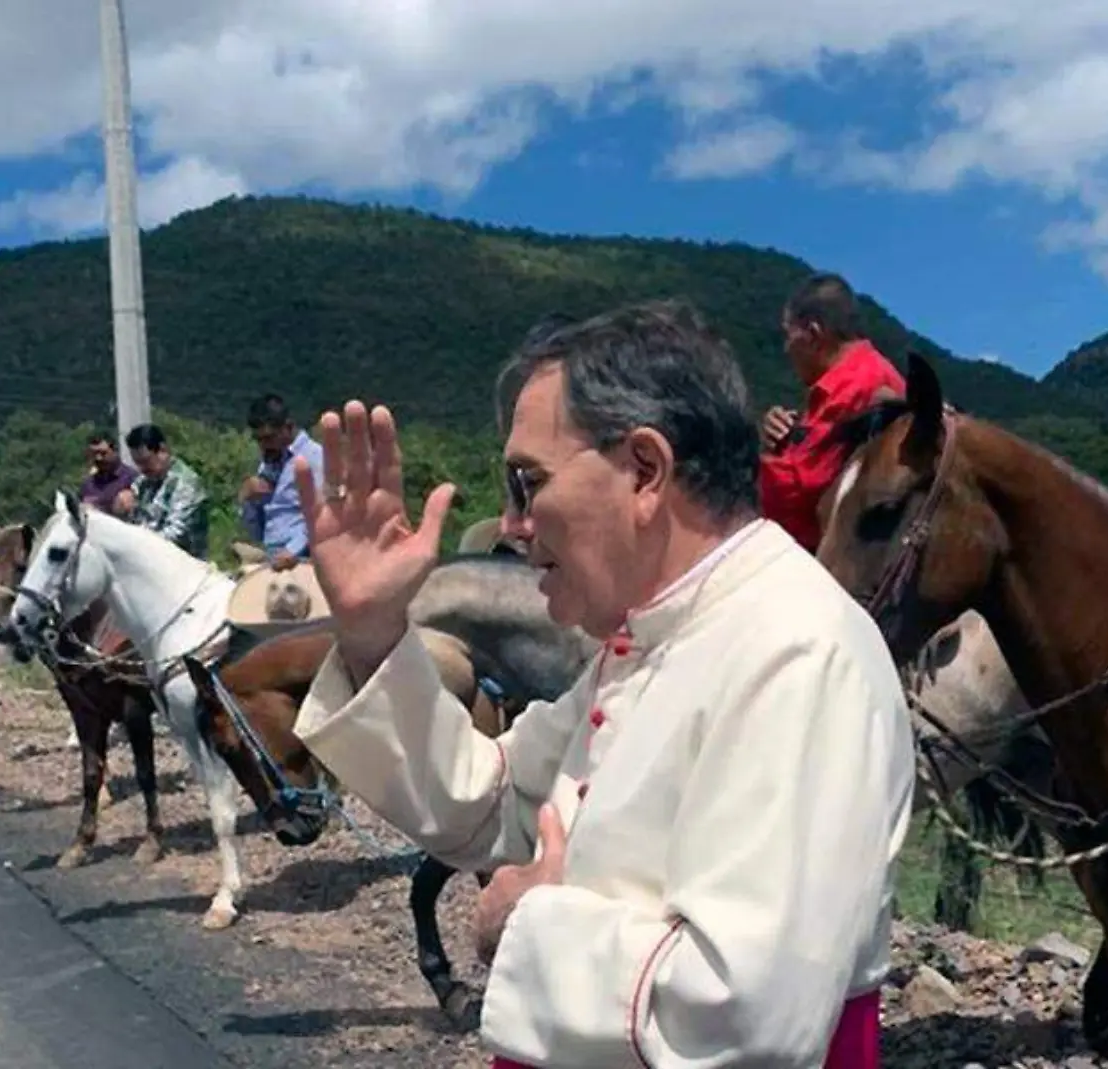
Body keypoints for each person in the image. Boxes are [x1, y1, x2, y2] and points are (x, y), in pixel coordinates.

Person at [289, 299, 914, 1067]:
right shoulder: (654, 635)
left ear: (646, 470)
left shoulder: (798, 648)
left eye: (527, 482)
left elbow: (746, 1016)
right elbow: (488, 799)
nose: (513, 524)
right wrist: (374, 628)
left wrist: (525, 922)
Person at [758, 273, 908, 552]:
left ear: (813, 334)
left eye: (788, 335)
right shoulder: (855, 378)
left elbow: (802, 492)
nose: (786, 348)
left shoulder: (859, 386)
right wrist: (781, 439)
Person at [238, 394, 326, 570]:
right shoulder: (269, 463)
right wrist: (248, 499)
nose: (264, 446)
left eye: (269, 438)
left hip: (303, 558)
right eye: (259, 440)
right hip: (271, 555)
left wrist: (293, 550)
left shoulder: (314, 458)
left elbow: (323, 513)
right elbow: (258, 528)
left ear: (288, 427)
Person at [126, 423, 211, 560]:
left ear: (162, 451)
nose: (143, 468)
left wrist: (138, 544)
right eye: (138, 463)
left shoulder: (187, 483)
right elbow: (135, 522)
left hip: (185, 564)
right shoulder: (142, 483)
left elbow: (176, 534)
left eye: (146, 461)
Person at [79, 432, 139, 517]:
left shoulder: (132, 479)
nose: (98, 458)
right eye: (94, 454)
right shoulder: (88, 484)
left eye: (103, 453)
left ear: (115, 451)